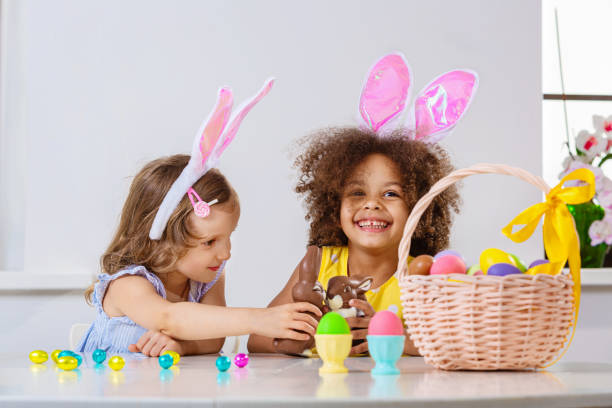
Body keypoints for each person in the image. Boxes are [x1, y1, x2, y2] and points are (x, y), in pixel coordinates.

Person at [248, 53, 477, 355]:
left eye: (391, 194)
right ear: (334, 204)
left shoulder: (420, 276)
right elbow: (257, 340)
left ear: (418, 209)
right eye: (357, 193)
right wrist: (304, 337)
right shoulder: (320, 264)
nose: (372, 205)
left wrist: (385, 336)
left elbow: (454, 346)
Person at [77, 79, 320, 356]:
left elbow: (212, 340)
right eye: (209, 242)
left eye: (228, 237)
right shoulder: (127, 285)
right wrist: (258, 318)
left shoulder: (208, 277)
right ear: (162, 240)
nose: (225, 253)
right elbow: (169, 318)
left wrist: (180, 346)